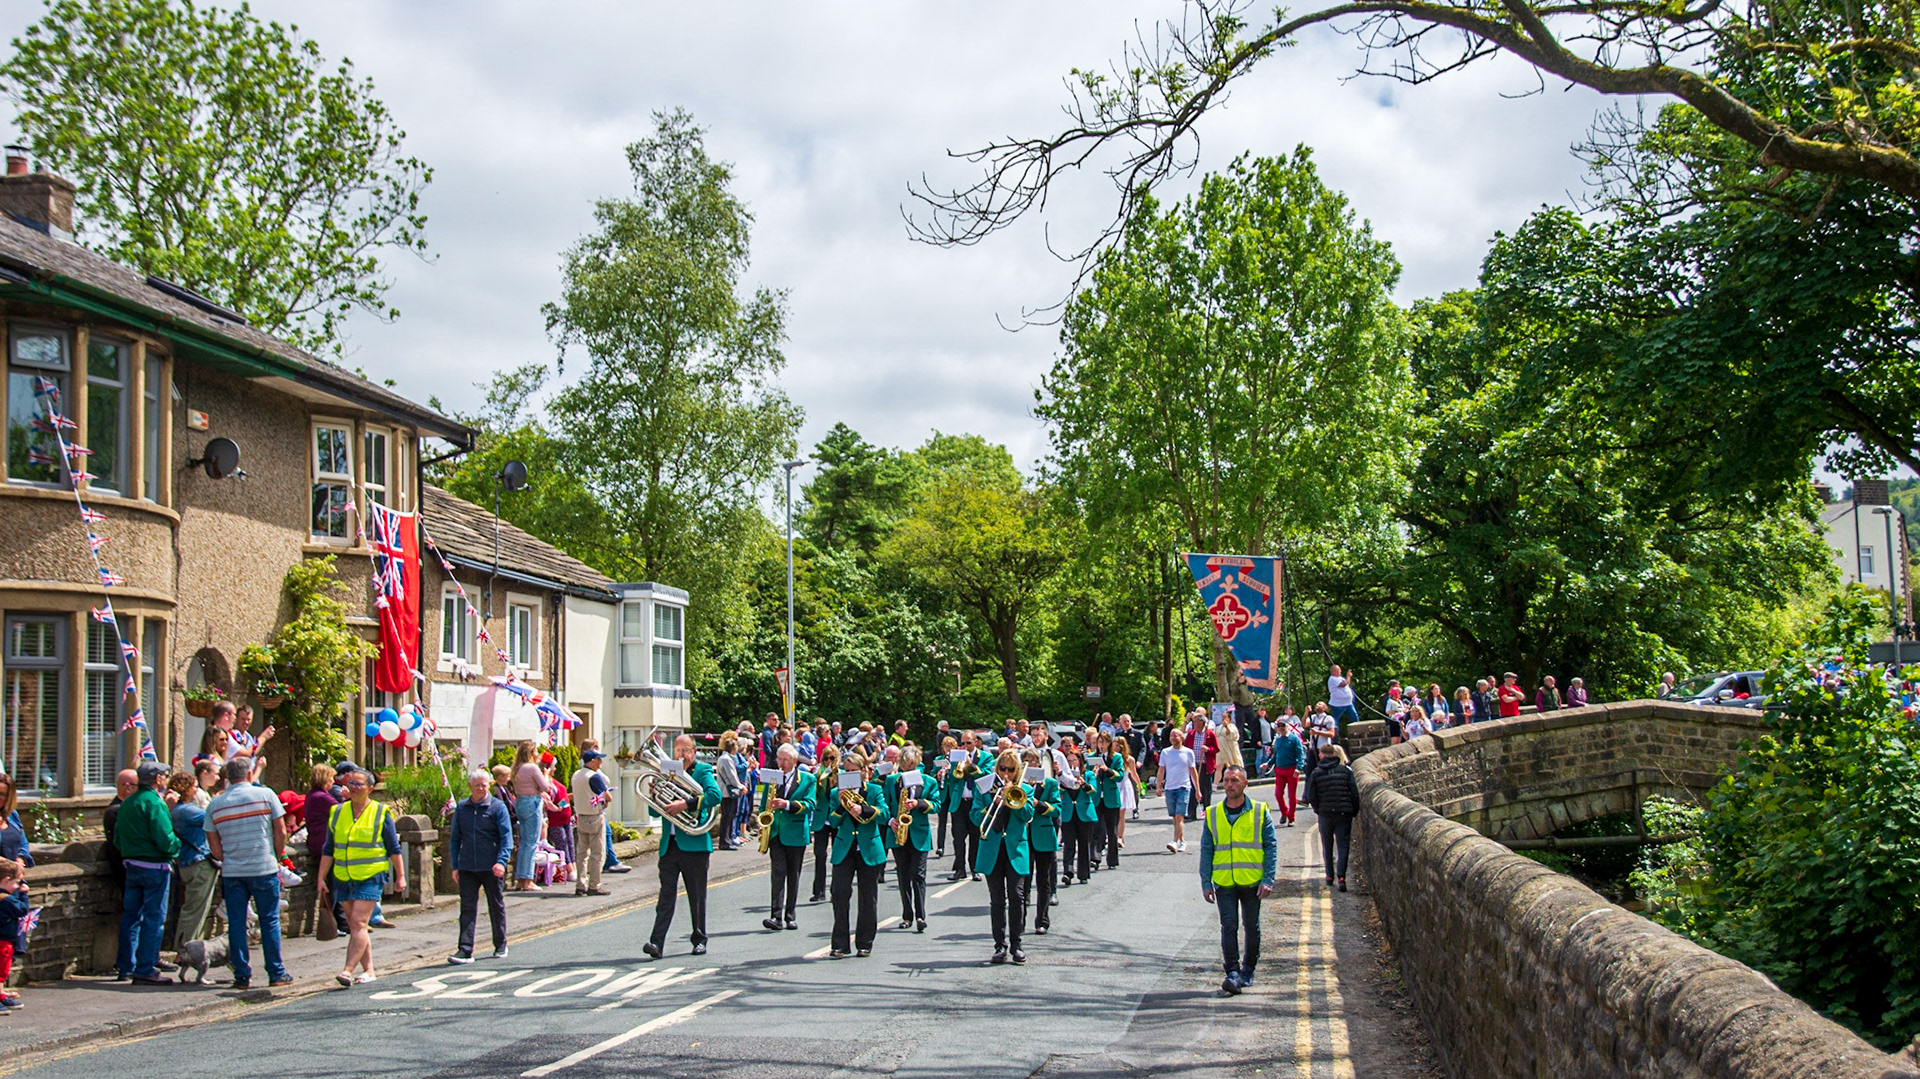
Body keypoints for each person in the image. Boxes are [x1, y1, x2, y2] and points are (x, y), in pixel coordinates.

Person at [205, 758, 291, 988]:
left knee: (235, 923)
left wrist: (228, 858)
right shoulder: (265, 795)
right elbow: (280, 830)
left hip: (233, 871)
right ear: (250, 773)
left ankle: (241, 975)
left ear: (227, 777)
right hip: (263, 867)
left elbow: (213, 846)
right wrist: (274, 853)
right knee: (270, 919)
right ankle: (276, 973)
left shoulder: (215, 804)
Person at [318, 767, 405, 986]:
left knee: (358, 921)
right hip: (343, 876)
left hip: (370, 875)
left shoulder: (380, 812)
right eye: (351, 783)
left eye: (359, 784)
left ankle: (347, 970)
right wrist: (321, 878)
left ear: (370, 789)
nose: (353, 788)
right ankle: (369, 970)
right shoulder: (337, 812)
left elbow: (393, 847)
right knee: (357, 926)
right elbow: (329, 848)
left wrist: (400, 876)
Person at [644, 734, 722, 959]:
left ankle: (699, 939)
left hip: (695, 844)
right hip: (670, 845)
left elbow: (715, 795)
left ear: (694, 751)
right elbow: (654, 811)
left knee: (696, 896)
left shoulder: (703, 771)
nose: (681, 755)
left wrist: (685, 804)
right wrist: (654, 794)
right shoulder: (666, 773)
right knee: (665, 896)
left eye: (685, 751)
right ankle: (656, 943)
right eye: (677, 751)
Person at [1201, 764, 1277, 995]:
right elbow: (1207, 849)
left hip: (1252, 879)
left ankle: (1248, 970)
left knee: (1251, 927)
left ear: (1245, 783)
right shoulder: (1213, 813)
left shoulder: (1260, 810)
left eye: (1234, 780)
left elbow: (1270, 846)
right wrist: (1206, 882)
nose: (1230, 785)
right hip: (1224, 880)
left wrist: (1268, 879)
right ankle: (1232, 972)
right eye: (1226, 780)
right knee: (1228, 926)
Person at [114, 761, 179, 985]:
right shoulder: (154, 803)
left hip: (132, 865)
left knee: (131, 917)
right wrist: (176, 847)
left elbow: (117, 839)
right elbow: (165, 839)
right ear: (157, 779)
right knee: (154, 918)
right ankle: (145, 969)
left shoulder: (128, 803)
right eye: (164, 775)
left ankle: (125, 967)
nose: (165, 779)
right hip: (155, 867)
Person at [973, 750, 1035, 964]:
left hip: (1016, 849)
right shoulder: (984, 786)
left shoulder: (1025, 789)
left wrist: (1011, 800)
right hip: (992, 848)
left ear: (1017, 771)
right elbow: (974, 814)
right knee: (997, 900)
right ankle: (1000, 946)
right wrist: (993, 805)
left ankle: (1017, 945)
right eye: (1002, 768)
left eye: (1011, 769)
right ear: (997, 768)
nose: (1006, 773)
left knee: (1017, 897)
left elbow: (1028, 814)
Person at [447, 769, 512, 964]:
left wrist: (501, 861)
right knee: (467, 908)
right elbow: (455, 838)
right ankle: (465, 950)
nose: (481, 789)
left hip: (491, 866)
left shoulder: (497, 807)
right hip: (467, 866)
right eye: (477, 786)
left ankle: (500, 944)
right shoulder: (462, 808)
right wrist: (455, 865)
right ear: (470, 787)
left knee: (496, 905)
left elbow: (506, 838)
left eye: (484, 785)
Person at [827, 751, 887, 959]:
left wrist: (863, 810)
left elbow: (884, 814)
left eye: (854, 771)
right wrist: (842, 806)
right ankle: (840, 944)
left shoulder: (873, 790)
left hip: (868, 849)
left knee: (867, 897)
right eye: (847, 771)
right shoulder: (836, 793)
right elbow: (832, 823)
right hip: (845, 849)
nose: (850, 774)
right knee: (839, 895)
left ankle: (865, 943)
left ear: (863, 772)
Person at [760, 743, 816, 931]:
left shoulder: (807, 779)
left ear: (793, 761)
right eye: (779, 759)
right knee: (777, 875)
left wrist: (786, 804)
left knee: (794, 875)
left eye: (784, 760)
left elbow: (809, 804)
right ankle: (775, 916)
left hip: (796, 833)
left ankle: (790, 915)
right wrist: (763, 822)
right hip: (776, 832)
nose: (781, 763)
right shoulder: (773, 777)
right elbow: (764, 804)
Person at [166, 771, 218, 948]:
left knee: (192, 907)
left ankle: (188, 945)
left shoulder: (175, 810)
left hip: (186, 862)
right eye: (194, 787)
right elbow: (214, 819)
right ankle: (184, 948)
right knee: (195, 909)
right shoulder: (187, 811)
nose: (196, 791)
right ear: (185, 789)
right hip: (198, 862)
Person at [886, 745, 933, 933]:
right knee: (903, 876)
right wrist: (891, 820)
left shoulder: (928, 781)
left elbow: (936, 803)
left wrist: (919, 803)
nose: (908, 769)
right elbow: (885, 803)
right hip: (899, 833)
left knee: (918, 875)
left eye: (912, 766)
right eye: (905, 766)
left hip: (919, 833)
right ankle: (907, 915)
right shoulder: (891, 781)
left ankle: (921, 915)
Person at [1303, 745, 1361, 891]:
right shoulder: (1346, 771)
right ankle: (1341, 877)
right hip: (1344, 812)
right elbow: (1354, 792)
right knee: (1343, 845)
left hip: (1325, 813)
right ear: (1334, 754)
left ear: (1321, 755)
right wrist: (1354, 810)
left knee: (1327, 845)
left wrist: (1318, 809)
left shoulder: (1316, 773)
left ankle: (1329, 875)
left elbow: (1311, 796)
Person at [1022, 748, 1061, 935]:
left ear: (1039, 763)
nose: (1030, 764)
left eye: (1033, 761)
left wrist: (1039, 804)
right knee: (1021, 880)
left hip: (1043, 834)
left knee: (1043, 880)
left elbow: (1056, 810)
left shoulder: (1050, 784)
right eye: (1026, 761)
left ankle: (1042, 920)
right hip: (1023, 834)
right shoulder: (1018, 784)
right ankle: (1019, 920)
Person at [571, 750, 613, 898]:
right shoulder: (594, 777)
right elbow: (608, 796)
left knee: (582, 853)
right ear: (592, 761)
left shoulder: (576, 775)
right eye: (599, 760)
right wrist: (606, 798)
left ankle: (580, 884)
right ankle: (594, 885)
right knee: (597, 853)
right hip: (595, 816)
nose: (601, 763)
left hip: (581, 815)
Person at [509, 742, 548, 891]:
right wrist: (544, 775)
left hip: (520, 802)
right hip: (532, 802)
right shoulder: (532, 768)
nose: (538, 754)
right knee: (532, 843)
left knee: (524, 843)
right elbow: (545, 787)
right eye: (536, 752)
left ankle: (521, 879)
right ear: (531, 753)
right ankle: (528, 880)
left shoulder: (517, 768)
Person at [944, 737, 983, 881]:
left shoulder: (985, 756)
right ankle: (960, 869)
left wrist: (970, 765)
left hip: (975, 803)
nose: (965, 746)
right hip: (959, 802)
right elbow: (953, 780)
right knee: (958, 838)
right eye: (963, 743)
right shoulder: (956, 756)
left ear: (976, 742)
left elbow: (984, 775)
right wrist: (954, 767)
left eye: (969, 743)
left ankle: (975, 869)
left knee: (975, 838)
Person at [1061, 744, 1098, 883]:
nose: (1072, 763)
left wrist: (1083, 784)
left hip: (1085, 813)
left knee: (1084, 844)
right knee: (1068, 844)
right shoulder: (1064, 776)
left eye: (1074, 760)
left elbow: (1093, 791)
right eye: (1069, 761)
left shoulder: (1088, 774)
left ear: (1080, 761)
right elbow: (1059, 792)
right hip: (1068, 813)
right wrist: (1063, 780)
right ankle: (1068, 872)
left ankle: (1083, 874)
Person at [1157, 730, 1197, 853]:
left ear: (1181, 737)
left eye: (1176, 735)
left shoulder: (1188, 752)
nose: (1173, 738)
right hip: (1170, 788)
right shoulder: (1165, 752)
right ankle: (1183, 841)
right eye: (1171, 736)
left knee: (1180, 816)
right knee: (1175, 817)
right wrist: (1158, 785)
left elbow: (1193, 772)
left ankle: (1174, 841)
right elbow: (1161, 770)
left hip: (1183, 788)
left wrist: (1198, 790)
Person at [1091, 732, 1125, 868]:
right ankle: (1095, 857)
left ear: (1109, 743)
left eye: (1104, 742)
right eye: (1099, 742)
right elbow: (1088, 775)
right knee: (1096, 830)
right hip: (1097, 798)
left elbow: (1120, 775)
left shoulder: (1116, 757)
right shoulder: (1092, 757)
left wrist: (1108, 770)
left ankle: (1112, 860)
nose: (1101, 745)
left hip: (1111, 798)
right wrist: (1093, 774)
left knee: (1112, 831)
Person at [0, 857, 28, 1015]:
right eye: (16, 883)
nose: (17, 886)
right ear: (6, 880)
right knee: (1, 970)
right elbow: (22, 909)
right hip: (3, 941)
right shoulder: (7, 900)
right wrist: (24, 895)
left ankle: (1, 995)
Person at [713, 732, 745, 852]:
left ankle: (727, 840)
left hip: (726, 791)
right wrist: (740, 786)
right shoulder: (726, 759)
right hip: (728, 792)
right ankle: (725, 841)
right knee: (728, 816)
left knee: (729, 816)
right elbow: (732, 776)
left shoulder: (725, 758)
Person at [1270, 722, 1305, 826]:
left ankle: (1291, 818)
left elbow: (1300, 754)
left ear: (1287, 727)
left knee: (1291, 795)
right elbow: (1275, 756)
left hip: (1292, 770)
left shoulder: (1294, 739)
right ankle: (1284, 812)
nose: (1280, 728)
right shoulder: (1278, 740)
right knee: (1278, 794)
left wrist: (1299, 767)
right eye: (1279, 726)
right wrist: (1267, 764)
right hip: (1280, 770)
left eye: (1283, 726)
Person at [0, 773, 31, 867]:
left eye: (1, 794)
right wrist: (9, 864)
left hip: (13, 876)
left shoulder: (12, 815)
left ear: (9, 798)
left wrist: (20, 859)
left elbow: (23, 843)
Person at [1327, 665, 1359, 733]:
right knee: (1335, 720)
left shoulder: (1340, 678)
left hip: (1348, 703)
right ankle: (1335, 735)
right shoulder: (1332, 679)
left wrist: (1348, 678)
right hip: (1338, 704)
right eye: (1339, 670)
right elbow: (1343, 684)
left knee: (1354, 717)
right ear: (1334, 671)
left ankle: (1357, 732)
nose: (1340, 671)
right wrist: (1348, 676)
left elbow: (1347, 683)